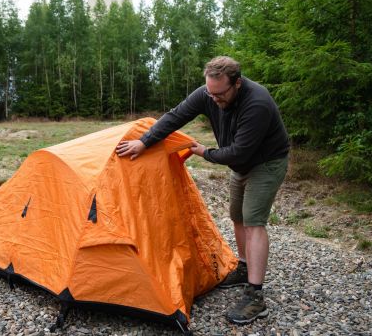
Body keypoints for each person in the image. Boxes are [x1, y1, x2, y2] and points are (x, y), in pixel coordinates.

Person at [116, 55, 289, 325]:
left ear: (237, 84)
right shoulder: (208, 93)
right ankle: (244, 267)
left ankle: (256, 297)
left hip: (266, 162)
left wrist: (204, 152)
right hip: (241, 164)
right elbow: (175, 117)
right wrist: (144, 142)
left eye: (220, 95)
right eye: (210, 93)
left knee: (254, 221)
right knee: (237, 215)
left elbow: (238, 152)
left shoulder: (257, 103)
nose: (214, 100)